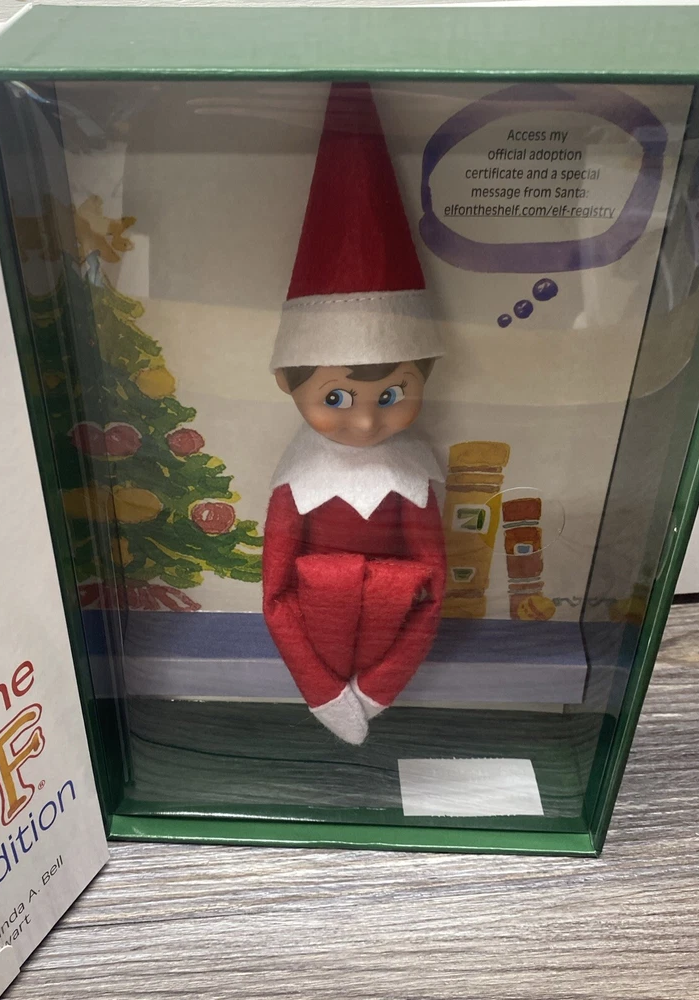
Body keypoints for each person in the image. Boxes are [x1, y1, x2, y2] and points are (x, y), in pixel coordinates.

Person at [262, 82, 447, 745]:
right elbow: (275, 596)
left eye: (392, 395)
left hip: (381, 654)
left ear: (424, 377)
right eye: (336, 398)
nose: (366, 424)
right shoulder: (297, 482)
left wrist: (376, 689)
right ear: (287, 383)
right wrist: (321, 691)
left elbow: (434, 590)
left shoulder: (414, 477)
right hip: (322, 651)